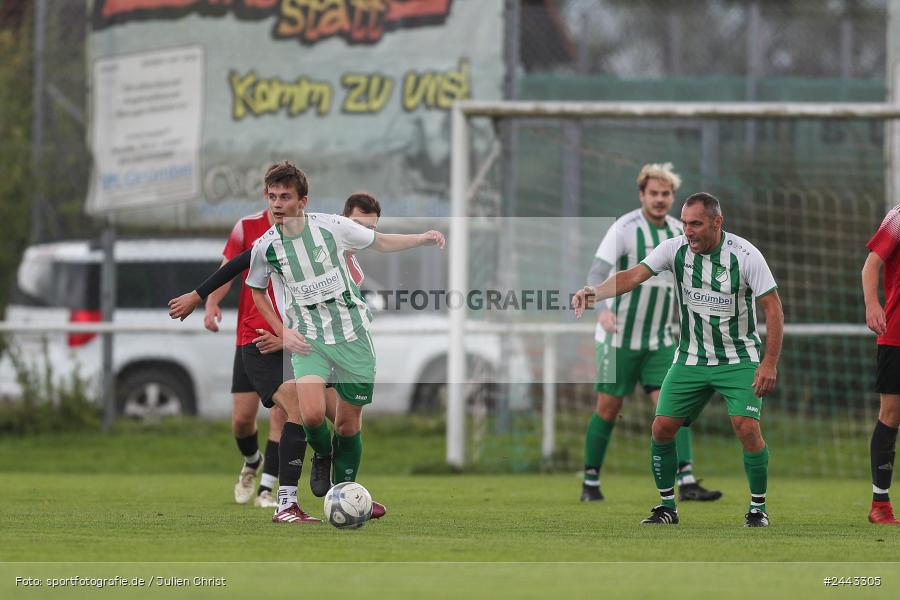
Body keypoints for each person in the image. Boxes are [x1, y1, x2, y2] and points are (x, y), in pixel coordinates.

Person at [246, 161, 444, 524]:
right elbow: (256, 290)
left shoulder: (332, 228)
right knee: (310, 414)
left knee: (348, 425)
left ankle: (346, 494)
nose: (277, 204)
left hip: (353, 335)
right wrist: (283, 330)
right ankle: (322, 456)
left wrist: (422, 238)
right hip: (308, 339)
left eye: (285, 197)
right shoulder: (265, 247)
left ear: (302, 200)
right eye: (271, 196)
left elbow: (380, 240)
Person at [168, 191, 383, 521]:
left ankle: (339, 492)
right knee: (272, 416)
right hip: (260, 342)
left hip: (298, 346)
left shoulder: (347, 268)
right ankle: (277, 491)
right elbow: (236, 265)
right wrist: (201, 297)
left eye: (367, 228)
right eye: (356, 224)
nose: (361, 233)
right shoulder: (275, 239)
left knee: (341, 418)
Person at [573, 193, 783, 527]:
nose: (688, 231)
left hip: (739, 359)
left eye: (696, 223)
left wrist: (769, 362)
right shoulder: (674, 249)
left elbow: (772, 307)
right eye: (685, 223)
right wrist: (594, 292)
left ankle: (758, 509)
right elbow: (632, 275)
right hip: (690, 359)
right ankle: (667, 506)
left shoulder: (745, 256)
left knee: (746, 427)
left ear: (717, 222)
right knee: (662, 427)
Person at [581, 163, 721, 503]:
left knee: (675, 407)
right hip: (619, 340)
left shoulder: (681, 230)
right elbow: (597, 270)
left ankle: (686, 480)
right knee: (609, 408)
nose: (660, 200)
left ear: (673, 197)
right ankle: (590, 481)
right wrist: (602, 310)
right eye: (653, 193)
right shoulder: (624, 228)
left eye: (666, 194)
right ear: (642, 194)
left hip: (661, 340)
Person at [862, 203, 900, 525]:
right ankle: (880, 504)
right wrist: (872, 303)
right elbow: (871, 264)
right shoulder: (899, 216)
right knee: (891, 415)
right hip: (896, 334)